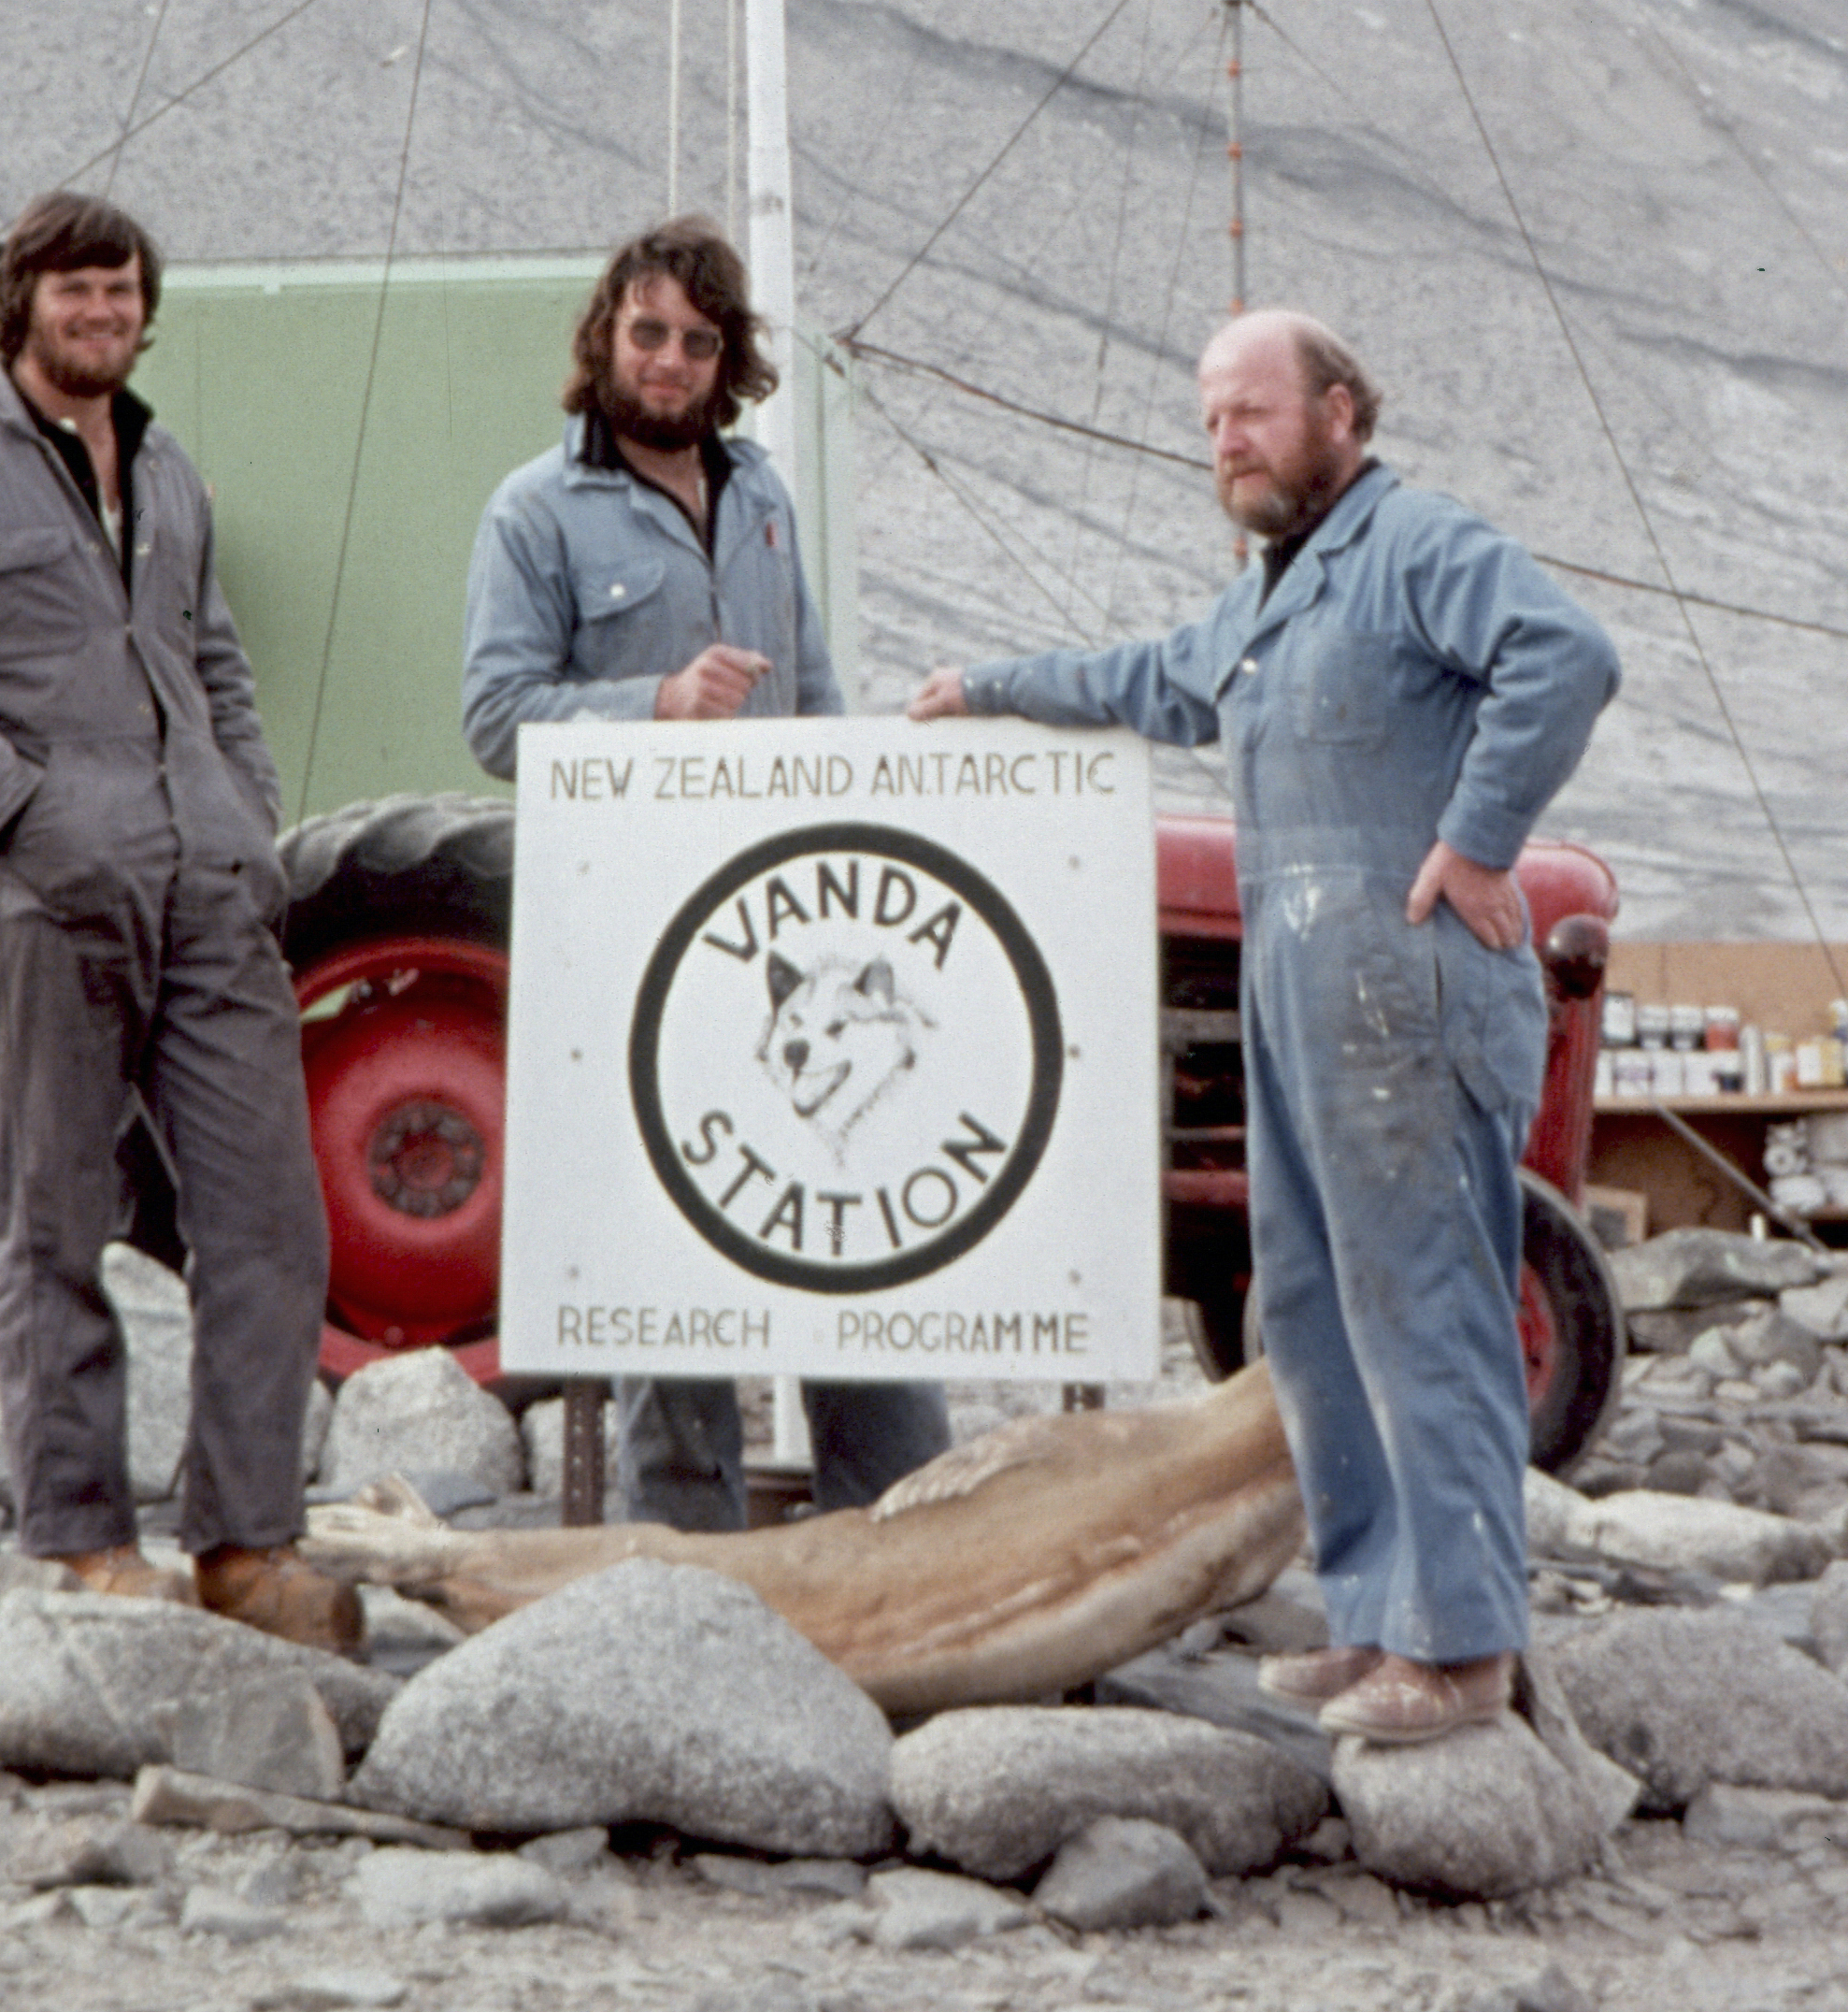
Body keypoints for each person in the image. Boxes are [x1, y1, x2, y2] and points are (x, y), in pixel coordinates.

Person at [910, 305, 1616, 1747]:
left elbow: (1566, 654)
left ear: (1342, 413)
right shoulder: (1275, 591)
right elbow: (1157, 677)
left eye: (1256, 412)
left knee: (1425, 1310)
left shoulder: (1415, 543)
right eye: (1212, 422)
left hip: (1403, 984)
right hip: (1296, 998)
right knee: (1302, 1311)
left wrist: (1480, 843)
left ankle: (1465, 1650)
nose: (1228, 442)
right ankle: (1373, 1620)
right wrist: (988, 690)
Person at [0, 189, 352, 1648]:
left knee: (269, 1217)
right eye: (74, 292)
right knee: (54, 1218)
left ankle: (246, 1547)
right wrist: (36, 822)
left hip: (209, 897)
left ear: (145, 308)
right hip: (49, 906)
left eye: (121, 292)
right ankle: (78, 1543)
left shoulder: (171, 469)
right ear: (21, 303)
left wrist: (246, 821)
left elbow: (216, 663)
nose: (100, 315)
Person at [462, 213, 952, 1531]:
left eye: (695, 339)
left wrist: (875, 795)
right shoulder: (535, 513)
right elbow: (498, 716)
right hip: (644, 932)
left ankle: (898, 1535)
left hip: (795, 923)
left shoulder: (768, 498)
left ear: (725, 356)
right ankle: (689, 1557)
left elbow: (816, 684)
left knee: (845, 1208)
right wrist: (652, 705)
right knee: (672, 1236)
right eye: (647, 335)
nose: (669, 362)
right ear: (604, 340)